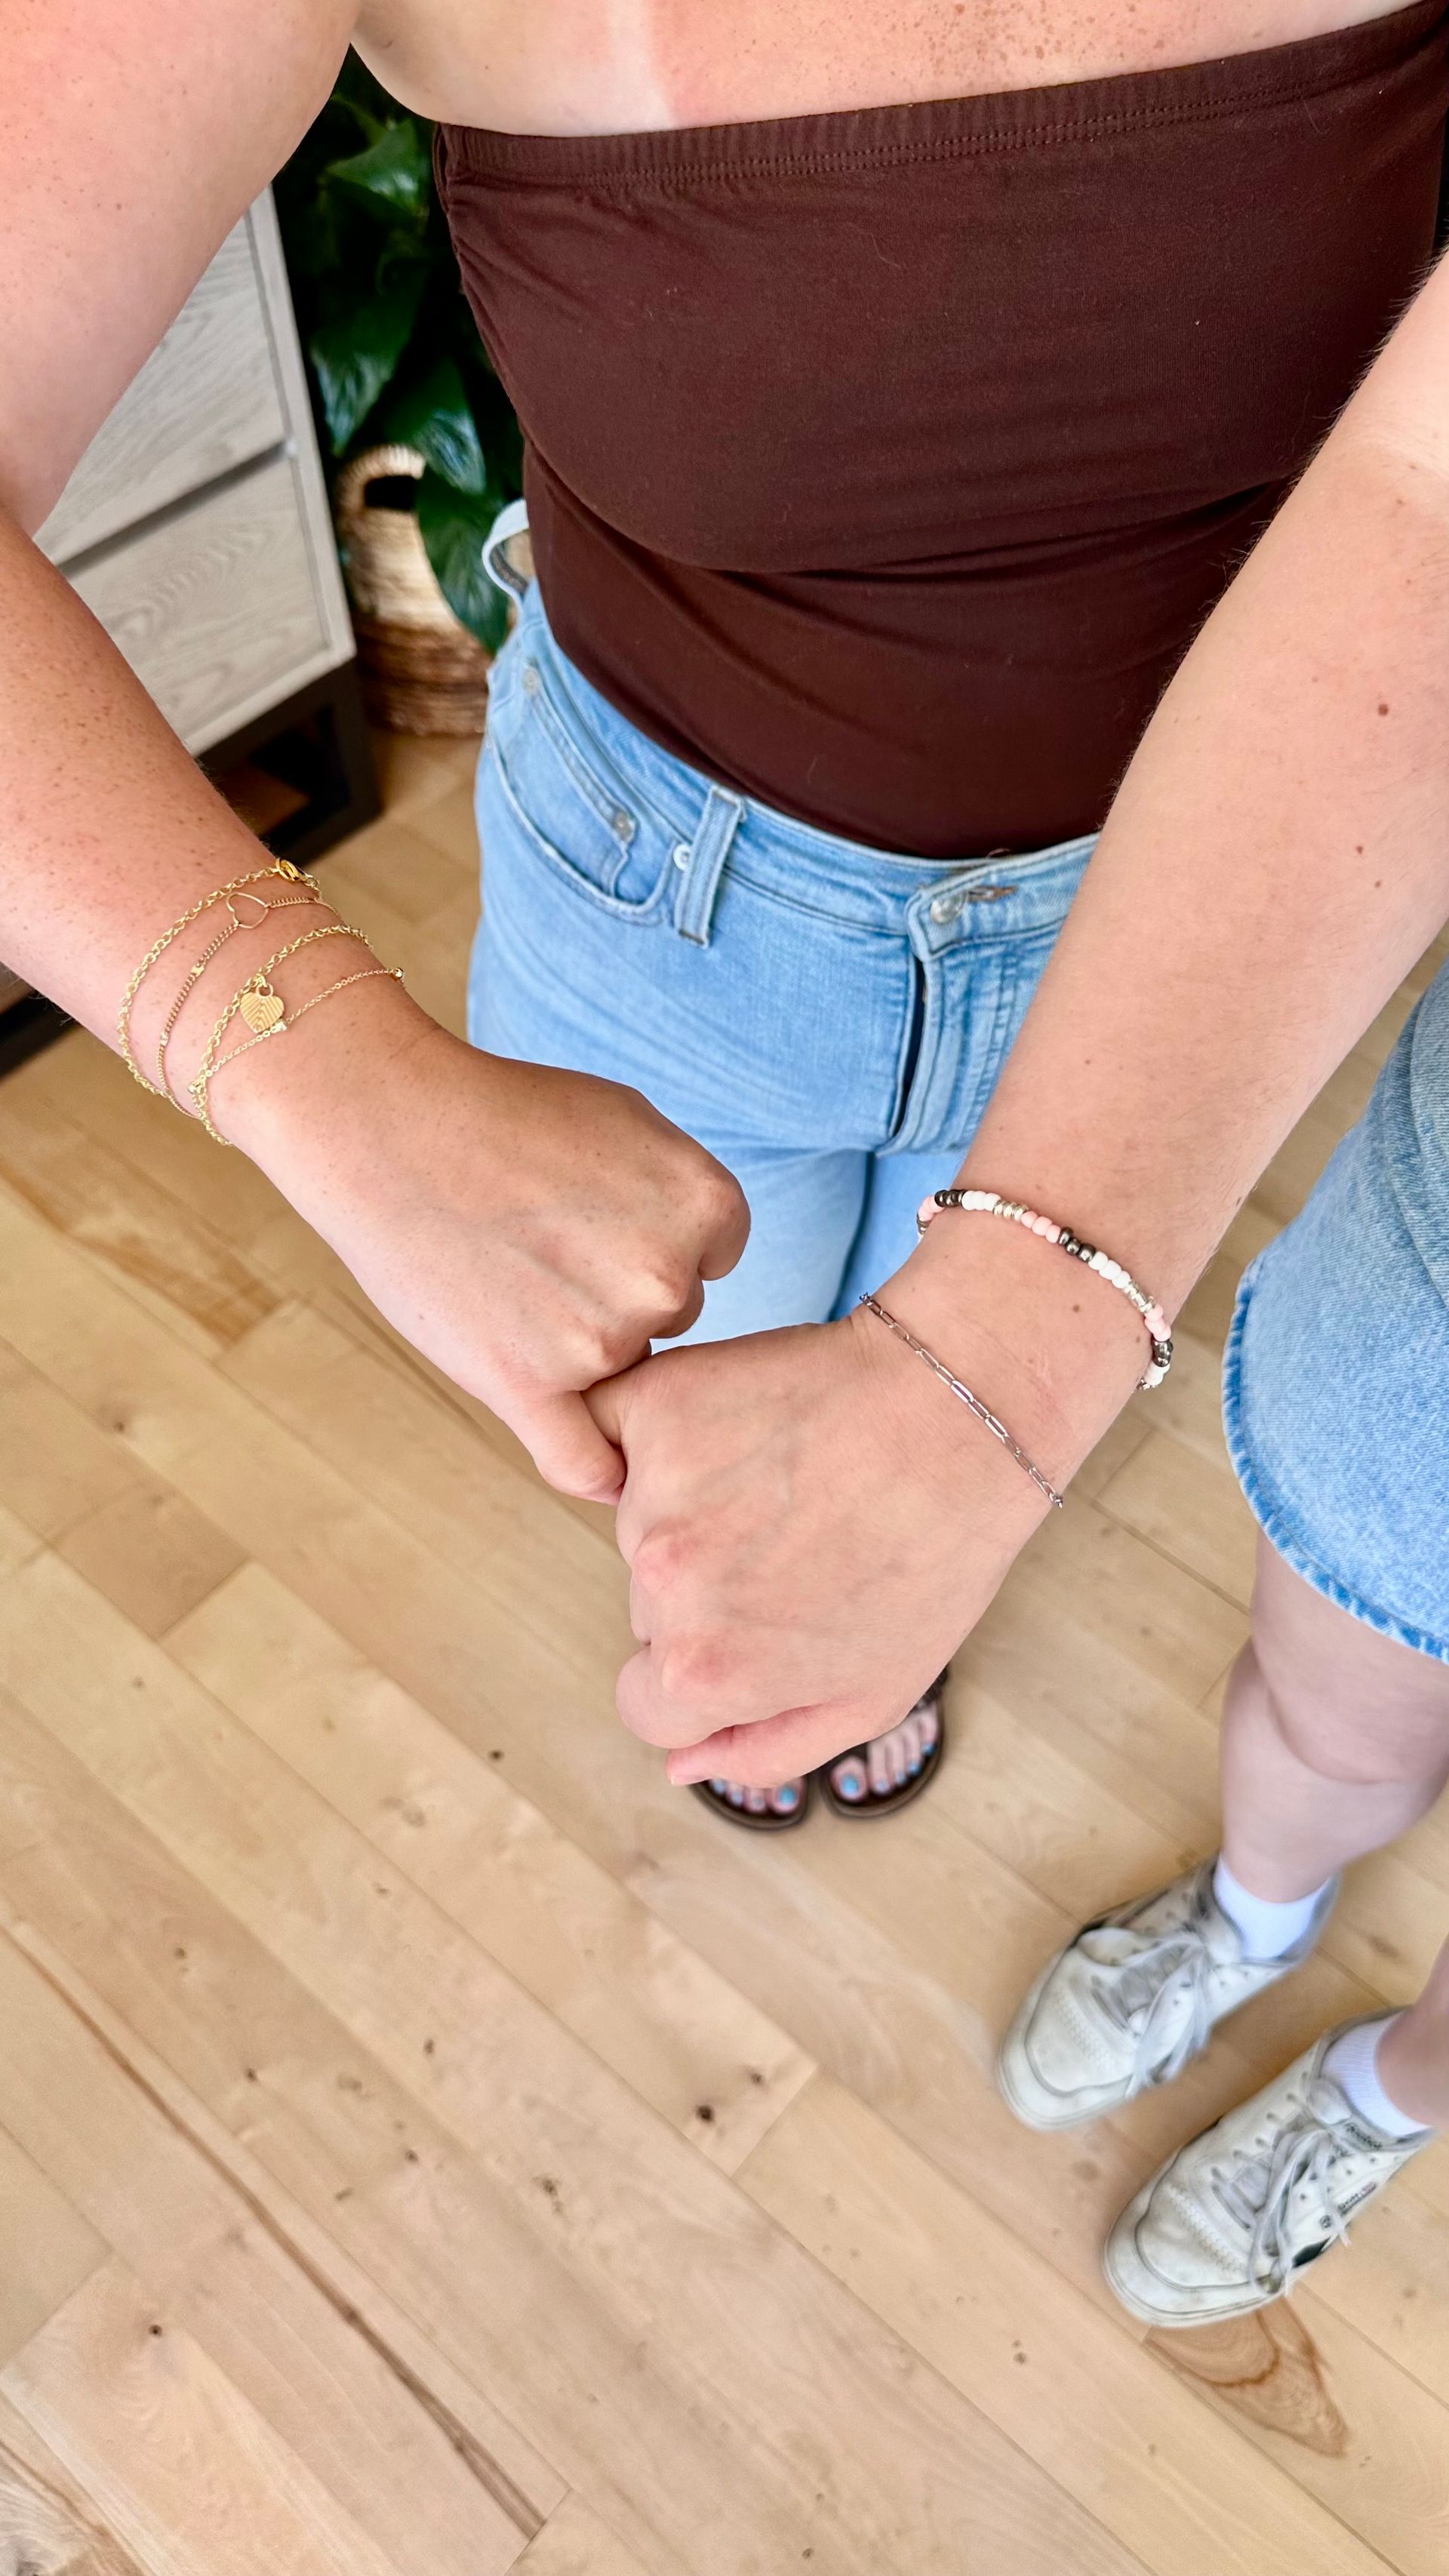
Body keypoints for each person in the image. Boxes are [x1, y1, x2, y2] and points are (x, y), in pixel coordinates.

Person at [3, 0, 1447, 2305]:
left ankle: (855, 1683)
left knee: (869, 1448)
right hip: (672, 900)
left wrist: (992, 1374)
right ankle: (809, 1692)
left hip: (1157, 942)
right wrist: (312, 1071)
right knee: (710, 1386)